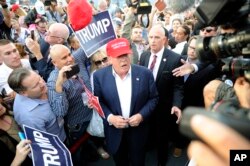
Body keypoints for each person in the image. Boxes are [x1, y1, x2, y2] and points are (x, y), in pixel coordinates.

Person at [93, 38, 158, 166]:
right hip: (114, 132)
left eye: (126, 55)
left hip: (138, 131)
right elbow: (98, 102)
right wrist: (110, 118)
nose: (124, 59)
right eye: (119, 56)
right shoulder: (99, 76)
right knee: (120, 161)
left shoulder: (145, 74)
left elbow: (154, 98)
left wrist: (141, 115)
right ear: (110, 58)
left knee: (138, 162)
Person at [139, 25, 184, 165]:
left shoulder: (175, 59)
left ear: (164, 39)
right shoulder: (144, 55)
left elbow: (178, 86)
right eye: (150, 37)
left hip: (163, 107)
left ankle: (161, 161)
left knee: (162, 137)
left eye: (157, 37)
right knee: (147, 132)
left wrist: (176, 105)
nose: (152, 40)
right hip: (145, 105)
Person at [47, 44, 92, 165]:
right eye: (64, 58)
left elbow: (90, 45)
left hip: (93, 113)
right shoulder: (53, 81)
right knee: (81, 149)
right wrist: (59, 85)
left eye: (69, 54)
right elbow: (60, 112)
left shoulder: (75, 60)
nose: (69, 59)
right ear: (54, 62)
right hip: (79, 123)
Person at [8, 68, 66, 142]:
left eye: (39, 78)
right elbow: (44, 143)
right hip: (59, 142)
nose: (43, 83)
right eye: (35, 85)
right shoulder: (30, 118)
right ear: (23, 93)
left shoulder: (31, 86)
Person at [0, 39, 32, 108]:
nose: (15, 56)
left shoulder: (26, 63)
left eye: (15, 50)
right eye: (8, 53)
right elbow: (18, 97)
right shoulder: (1, 75)